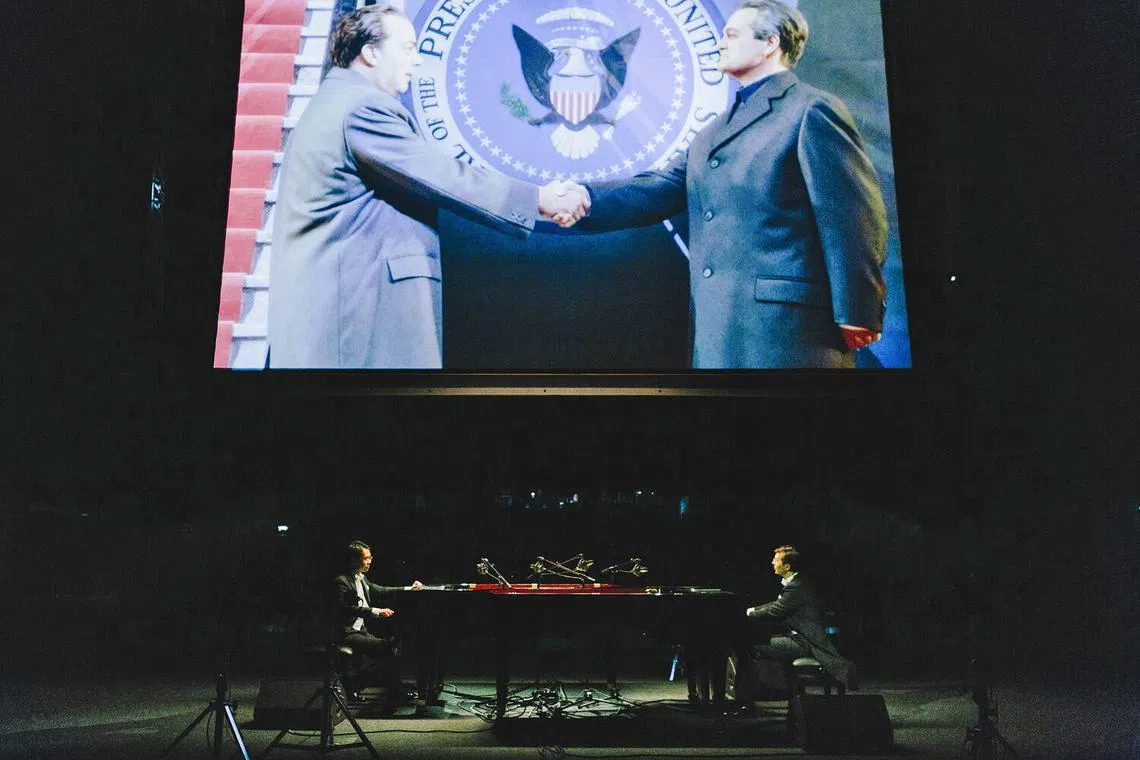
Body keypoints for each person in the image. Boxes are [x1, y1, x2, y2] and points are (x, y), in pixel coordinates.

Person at [561, 0, 887, 368]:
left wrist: (859, 309)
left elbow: (854, 216)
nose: (720, 42)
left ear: (770, 44)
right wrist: (583, 197)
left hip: (793, 337)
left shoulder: (811, 111)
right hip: (721, 335)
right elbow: (657, 188)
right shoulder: (712, 132)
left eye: (731, 34)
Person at [268, 5, 588, 368]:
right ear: (371, 53)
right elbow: (442, 175)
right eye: (407, 48)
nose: (416, 60)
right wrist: (536, 199)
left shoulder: (338, 102)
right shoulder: (361, 108)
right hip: (355, 327)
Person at [744, 545, 856, 698]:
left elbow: (776, 610)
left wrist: (749, 614)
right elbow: (775, 604)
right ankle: (777, 689)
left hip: (804, 642)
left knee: (752, 647)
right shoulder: (795, 585)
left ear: (787, 566)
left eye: (776, 560)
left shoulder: (797, 587)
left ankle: (763, 694)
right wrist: (752, 610)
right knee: (759, 643)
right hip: (797, 638)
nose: (772, 562)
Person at [332, 540, 424, 703]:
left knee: (391, 648)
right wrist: (375, 611)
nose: (369, 561)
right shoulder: (341, 581)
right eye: (365, 558)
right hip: (346, 632)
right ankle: (387, 689)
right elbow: (343, 608)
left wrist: (409, 588)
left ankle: (358, 684)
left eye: (370, 558)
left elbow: (380, 590)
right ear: (354, 560)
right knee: (387, 648)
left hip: (359, 630)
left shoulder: (361, 578)